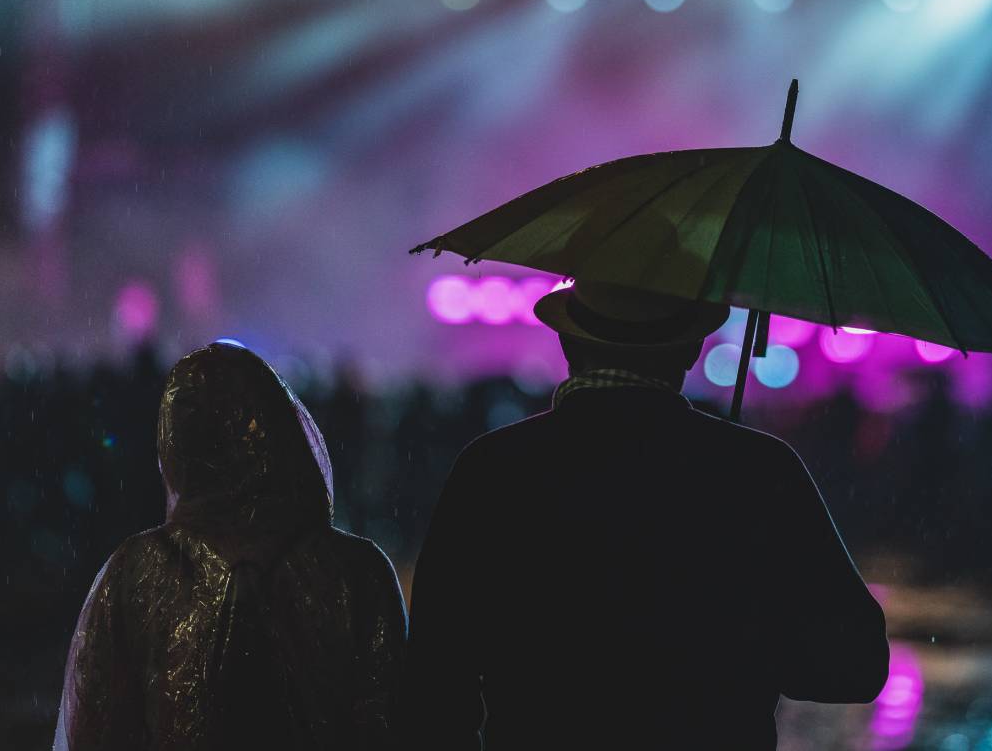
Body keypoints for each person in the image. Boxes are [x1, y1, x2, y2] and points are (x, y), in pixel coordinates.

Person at [403, 282, 889, 750]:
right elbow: (857, 665)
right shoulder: (761, 471)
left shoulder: (493, 468)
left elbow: (434, 682)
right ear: (691, 349)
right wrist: (736, 637)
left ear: (568, 342)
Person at [54, 342, 406, 750]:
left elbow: (98, 728)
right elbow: (391, 723)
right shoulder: (357, 573)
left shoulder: (136, 573)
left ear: (176, 445)